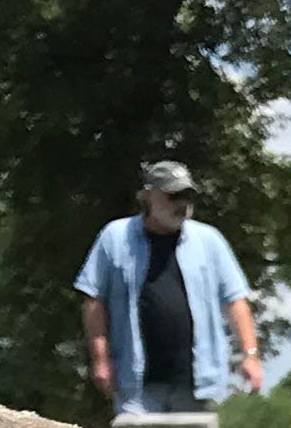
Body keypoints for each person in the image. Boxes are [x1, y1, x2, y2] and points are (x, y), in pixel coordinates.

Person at [75, 161, 264, 415]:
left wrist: (250, 355)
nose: (182, 203)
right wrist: (101, 360)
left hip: (197, 386)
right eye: (174, 195)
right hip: (136, 386)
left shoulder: (209, 241)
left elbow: (236, 300)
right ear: (149, 196)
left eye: (187, 196)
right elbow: (94, 301)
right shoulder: (115, 237)